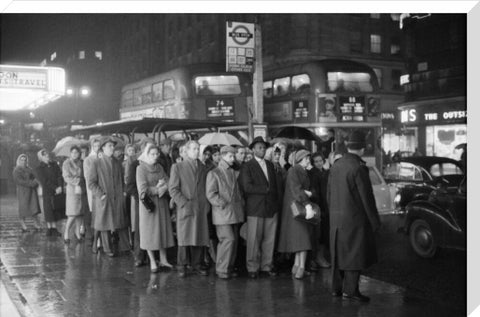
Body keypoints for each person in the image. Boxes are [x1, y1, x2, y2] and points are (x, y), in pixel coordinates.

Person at [327, 130, 381, 303]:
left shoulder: (336, 165)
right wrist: (375, 221)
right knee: (354, 255)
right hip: (354, 219)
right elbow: (367, 198)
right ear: (362, 149)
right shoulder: (358, 167)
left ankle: (336, 289)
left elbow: (328, 194)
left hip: (336, 218)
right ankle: (350, 290)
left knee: (338, 254)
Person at [239, 136, 281, 279]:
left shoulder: (270, 165)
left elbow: (276, 186)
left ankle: (266, 266)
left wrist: (276, 203)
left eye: (263, 147)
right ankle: (252, 267)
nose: (262, 150)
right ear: (253, 150)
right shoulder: (247, 166)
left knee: (269, 239)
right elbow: (246, 187)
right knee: (253, 240)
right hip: (255, 208)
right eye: (259, 147)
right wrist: (266, 189)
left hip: (270, 207)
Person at [168, 140, 210, 277]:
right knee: (184, 237)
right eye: (194, 149)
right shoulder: (177, 167)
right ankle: (182, 265)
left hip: (201, 206)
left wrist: (206, 204)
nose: (197, 151)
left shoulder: (203, 167)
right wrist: (183, 203)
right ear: (186, 151)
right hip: (186, 206)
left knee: (199, 235)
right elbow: (173, 189)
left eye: (198, 149)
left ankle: (197, 264)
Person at [206, 146, 245, 279]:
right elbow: (211, 194)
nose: (233, 158)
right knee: (228, 240)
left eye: (233, 156)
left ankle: (227, 267)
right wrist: (221, 203)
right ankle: (222, 269)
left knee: (232, 241)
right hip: (222, 213)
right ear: (223, 156)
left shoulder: (232, 172)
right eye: (230, 156)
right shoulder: (214, 173)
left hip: (233, 212)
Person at [87, 136, 130, 257]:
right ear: (103, 148)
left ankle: (125, 247)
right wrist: (101, 195)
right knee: (104, 224)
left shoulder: (117, 162)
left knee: (121, 221)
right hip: (104, 198)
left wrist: (124, 192)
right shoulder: (96, 162)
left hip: (117, 197)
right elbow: (91, 183)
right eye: (110, 146)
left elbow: (122, 179)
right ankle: (107, 248)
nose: (112, 148)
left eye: (113, 146)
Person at [277, 150, 316, 279]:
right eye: (306, 158)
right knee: (303, 239)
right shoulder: (296, 171)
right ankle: (301, 268)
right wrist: (307, 203)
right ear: (300, 160)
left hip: (294, 209)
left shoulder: (296, 170)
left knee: (299, 240)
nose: (308, 160)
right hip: (299, 208)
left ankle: (297, 266)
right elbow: (297, 190)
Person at [136, 144, 175, 273]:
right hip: (150, 206)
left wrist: (165, 187)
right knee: (149, 233)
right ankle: (152, 260)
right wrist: (158, 189)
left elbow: (169, 181)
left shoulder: (159, 167)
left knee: (162, 231)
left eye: (157, 154)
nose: (155, 157)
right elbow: (142, 190)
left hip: (162, 204)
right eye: (152, 154)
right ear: (146, 154)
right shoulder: (140, 169)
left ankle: (163, 259)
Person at [307, 152, 331, 270]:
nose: (319, 163)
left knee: (324, 234)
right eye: (316, 161)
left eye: (320, 160)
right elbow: (315, 192)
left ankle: (319, 257)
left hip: (326, 206)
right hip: (318, 206)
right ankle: (317, 258)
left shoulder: (326, 172)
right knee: (319, 235)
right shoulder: (312, 174)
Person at [125, 142, 146, 267]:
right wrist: (139, 197)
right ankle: (139, 255)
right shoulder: (135, 164)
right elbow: (130, 186)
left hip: (153, 201)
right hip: (140, 201)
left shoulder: (157, 164)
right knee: (139, 228)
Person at [34, 149, 64, 237]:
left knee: (55, 210)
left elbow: (59, 176)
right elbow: (44, 181)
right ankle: (49, 228)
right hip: (48, 191)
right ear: (40, 158)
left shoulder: (54, 165)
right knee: (48, 210)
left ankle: (54, 228)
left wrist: (60, 186)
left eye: (47, 154)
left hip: (57, 191)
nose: (47, 156)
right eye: (44, 155)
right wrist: (55, 188)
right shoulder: (39, 168)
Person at [62, 146, 88, 244]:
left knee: (80, 214)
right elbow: (66, 177)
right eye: (73, 152)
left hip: (81, 188)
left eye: (76, 153)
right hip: (72, 189)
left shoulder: (81, 162)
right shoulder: (66, 163)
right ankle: (66, 233)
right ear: (70, 153)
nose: (74, 154)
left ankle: (77, 233)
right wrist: (76, 182)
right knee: (72, 213)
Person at [12, 154, 42, 232]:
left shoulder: (29, 169)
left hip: (31, 191)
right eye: (22, 160)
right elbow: (19, 181)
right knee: (23, 208)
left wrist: (36, 181)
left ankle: (35, 223)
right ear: (19, 160)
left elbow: (35, 177)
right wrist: (31, 183)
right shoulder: (16, 170)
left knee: (34, 207)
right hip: (23, 191)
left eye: (25, 160)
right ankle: (23, 224)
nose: (23, 161)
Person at [83, 138, 101, 252]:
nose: (98, 147)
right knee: (94, 213)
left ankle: (101, 239)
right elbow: (88, 176)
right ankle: (94, 238)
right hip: (93, 188)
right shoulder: (88, 159)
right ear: (92, 146)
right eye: (95, 145)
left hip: (103, 187)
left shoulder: (102, 157)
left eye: (99, 145)